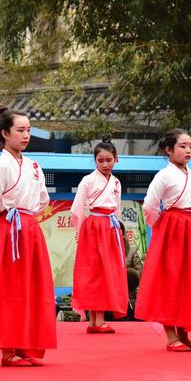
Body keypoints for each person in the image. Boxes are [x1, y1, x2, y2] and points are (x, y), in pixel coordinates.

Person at [0, 106, 57, 367]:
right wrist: (0, 220)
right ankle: (8, 350)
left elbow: (43, 199)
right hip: (10, 228)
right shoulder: (0, 166)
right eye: (20, 130)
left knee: (31, 288)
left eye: (28, 130)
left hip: (28, 227)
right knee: (10, 287)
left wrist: (25, 217)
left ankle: (25, 346)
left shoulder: (33, 166)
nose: (26, 135)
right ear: (5, 133)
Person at [135, 129, 191, 352]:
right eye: (182, 146)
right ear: (168, 150)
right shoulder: (164, 175)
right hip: (173, 230)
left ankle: (184, 333)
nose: (188, 150)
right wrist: (162, 227)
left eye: (190, 146)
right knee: (171, 280)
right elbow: (150, 206)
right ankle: (171, 336)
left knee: (190, 281)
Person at [71, 136, 128, 333]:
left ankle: (98, 319)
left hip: (110, 228)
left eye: (108, 160)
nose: (105, 164)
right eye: (100, 161)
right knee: (94, 272)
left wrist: (117, 230)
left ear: (116, 159)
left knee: (107, 272)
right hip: (94, 227)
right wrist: (80, 231)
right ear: (95, 161)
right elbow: (77, 208)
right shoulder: (88, 180)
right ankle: (95, 319)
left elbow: (117, 208)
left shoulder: (116, 182)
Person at [120, 222, 143, 321]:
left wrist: (126, 275)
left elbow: (140, 271)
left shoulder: (132, 251)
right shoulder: (105, 250)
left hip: (130, 293)